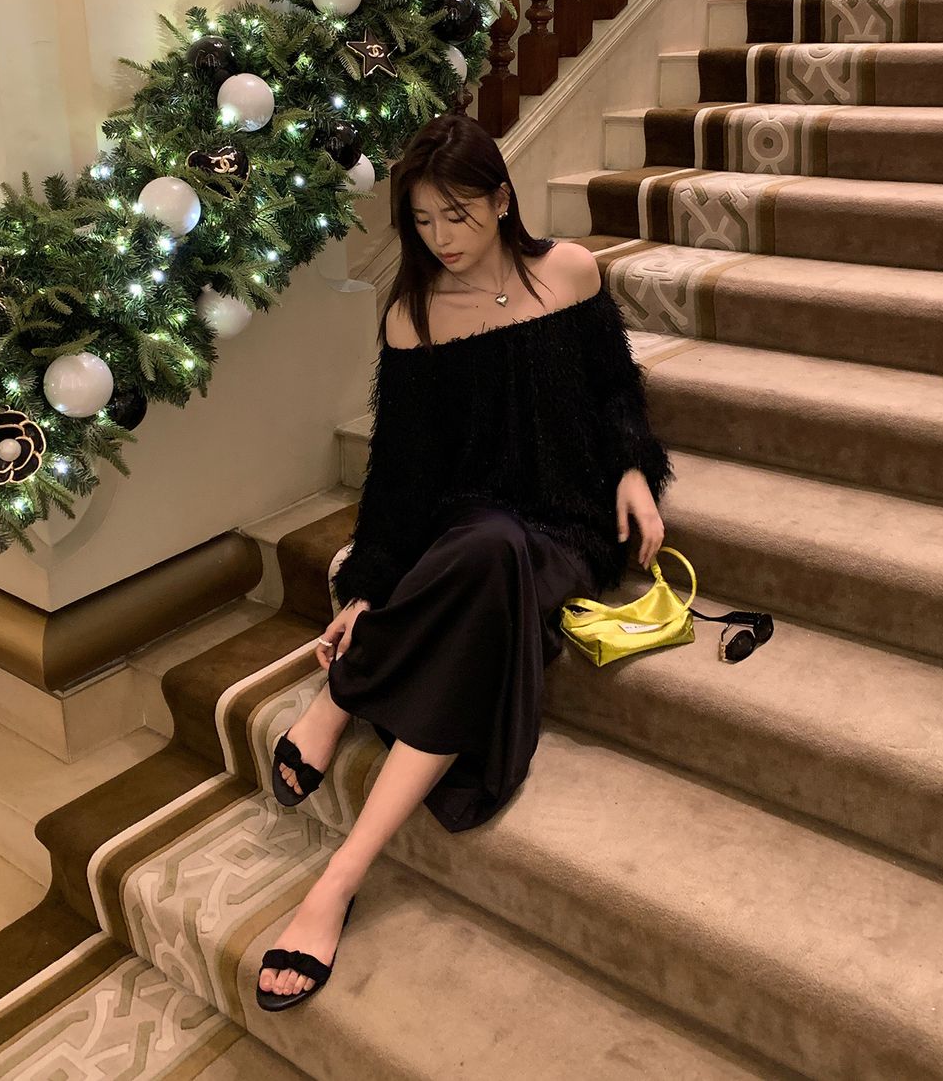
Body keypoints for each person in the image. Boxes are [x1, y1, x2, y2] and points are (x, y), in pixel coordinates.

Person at [257, 110, 674, 1006]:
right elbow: (403, 476)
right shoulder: (413, 317)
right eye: (422, 219)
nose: (442, 237)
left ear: (501, 198)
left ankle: (339, 761)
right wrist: (367, 588)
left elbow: (615, 391)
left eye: (458, 213)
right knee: (483, 551)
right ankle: (339, 864)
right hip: (472, 522)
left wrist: (636, 470)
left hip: (568, 525)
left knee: (496, 558)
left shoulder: (570, 271)